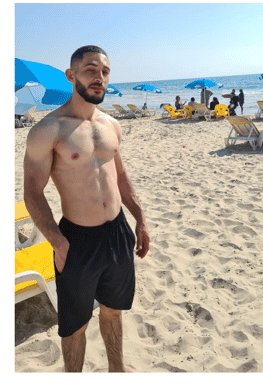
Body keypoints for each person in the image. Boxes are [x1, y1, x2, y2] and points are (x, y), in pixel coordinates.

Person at [22, 45, 149, 372]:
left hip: (118, 231)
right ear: (71, 75)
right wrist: (57, 240)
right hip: (76, 239)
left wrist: (141, 220)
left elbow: (120, 176)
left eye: (105, 72)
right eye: (91, 70)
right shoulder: (48, 130)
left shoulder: (112, 125)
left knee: (112, 309)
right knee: (75, 325)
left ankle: (117, 369)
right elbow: (33, 192)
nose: (100, 78)